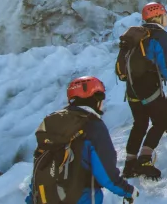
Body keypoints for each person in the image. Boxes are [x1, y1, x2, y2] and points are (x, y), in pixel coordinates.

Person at [26, 76, 139, 204]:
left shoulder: (54, 125)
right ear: (94, 98)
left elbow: (41, 167)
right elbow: (106, 174)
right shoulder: (93, 126)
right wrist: (127, 190)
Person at [122, 2, 167, 180]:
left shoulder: (137, 35)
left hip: (131, 89)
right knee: (161, 121)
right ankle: (145, 159)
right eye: (165, 15)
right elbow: (165, 64)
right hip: (149, 87)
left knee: (139, 124)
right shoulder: (160, 36)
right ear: (158, 16)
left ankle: (129, 165)